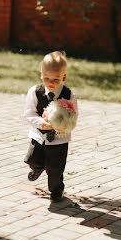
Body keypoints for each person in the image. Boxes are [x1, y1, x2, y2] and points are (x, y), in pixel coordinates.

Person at [24, 51, 78, 202]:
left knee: (55, 168)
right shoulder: (35, 92)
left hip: (59, 139)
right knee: (32, 159)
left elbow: (74, 116)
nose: (51, 82)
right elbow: (29, 113)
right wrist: (42, 123)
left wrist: (64, 126)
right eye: (47, 78)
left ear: (64, 77)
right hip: (39, 136)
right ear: (41, 74)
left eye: (56, 79)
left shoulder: (69, 95)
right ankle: (37, 167)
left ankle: (56, 190)